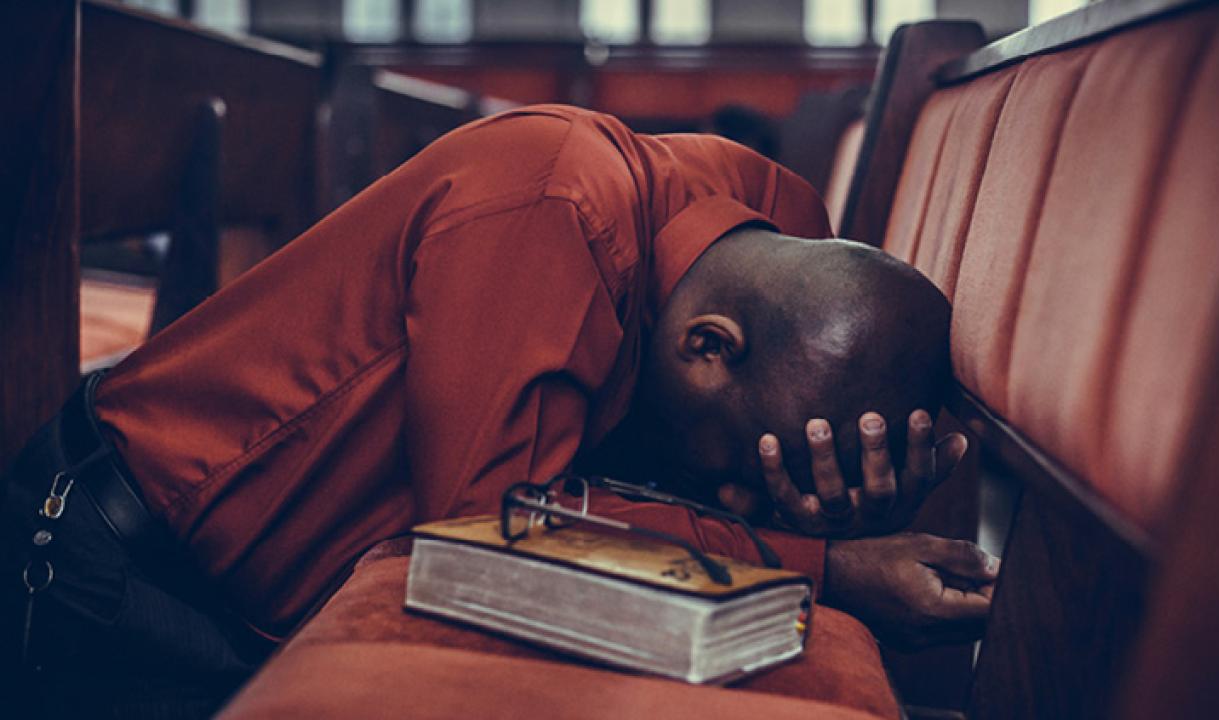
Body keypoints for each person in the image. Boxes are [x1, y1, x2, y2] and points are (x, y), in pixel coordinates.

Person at [1, 105, 996, 717]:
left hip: (253, 606)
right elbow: (489, 540)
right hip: (111, 585)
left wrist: (831, 510)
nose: (735, 499)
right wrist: (823, 568)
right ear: (706, 346)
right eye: (736, 472)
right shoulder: (553, 209)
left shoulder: (763, 218)